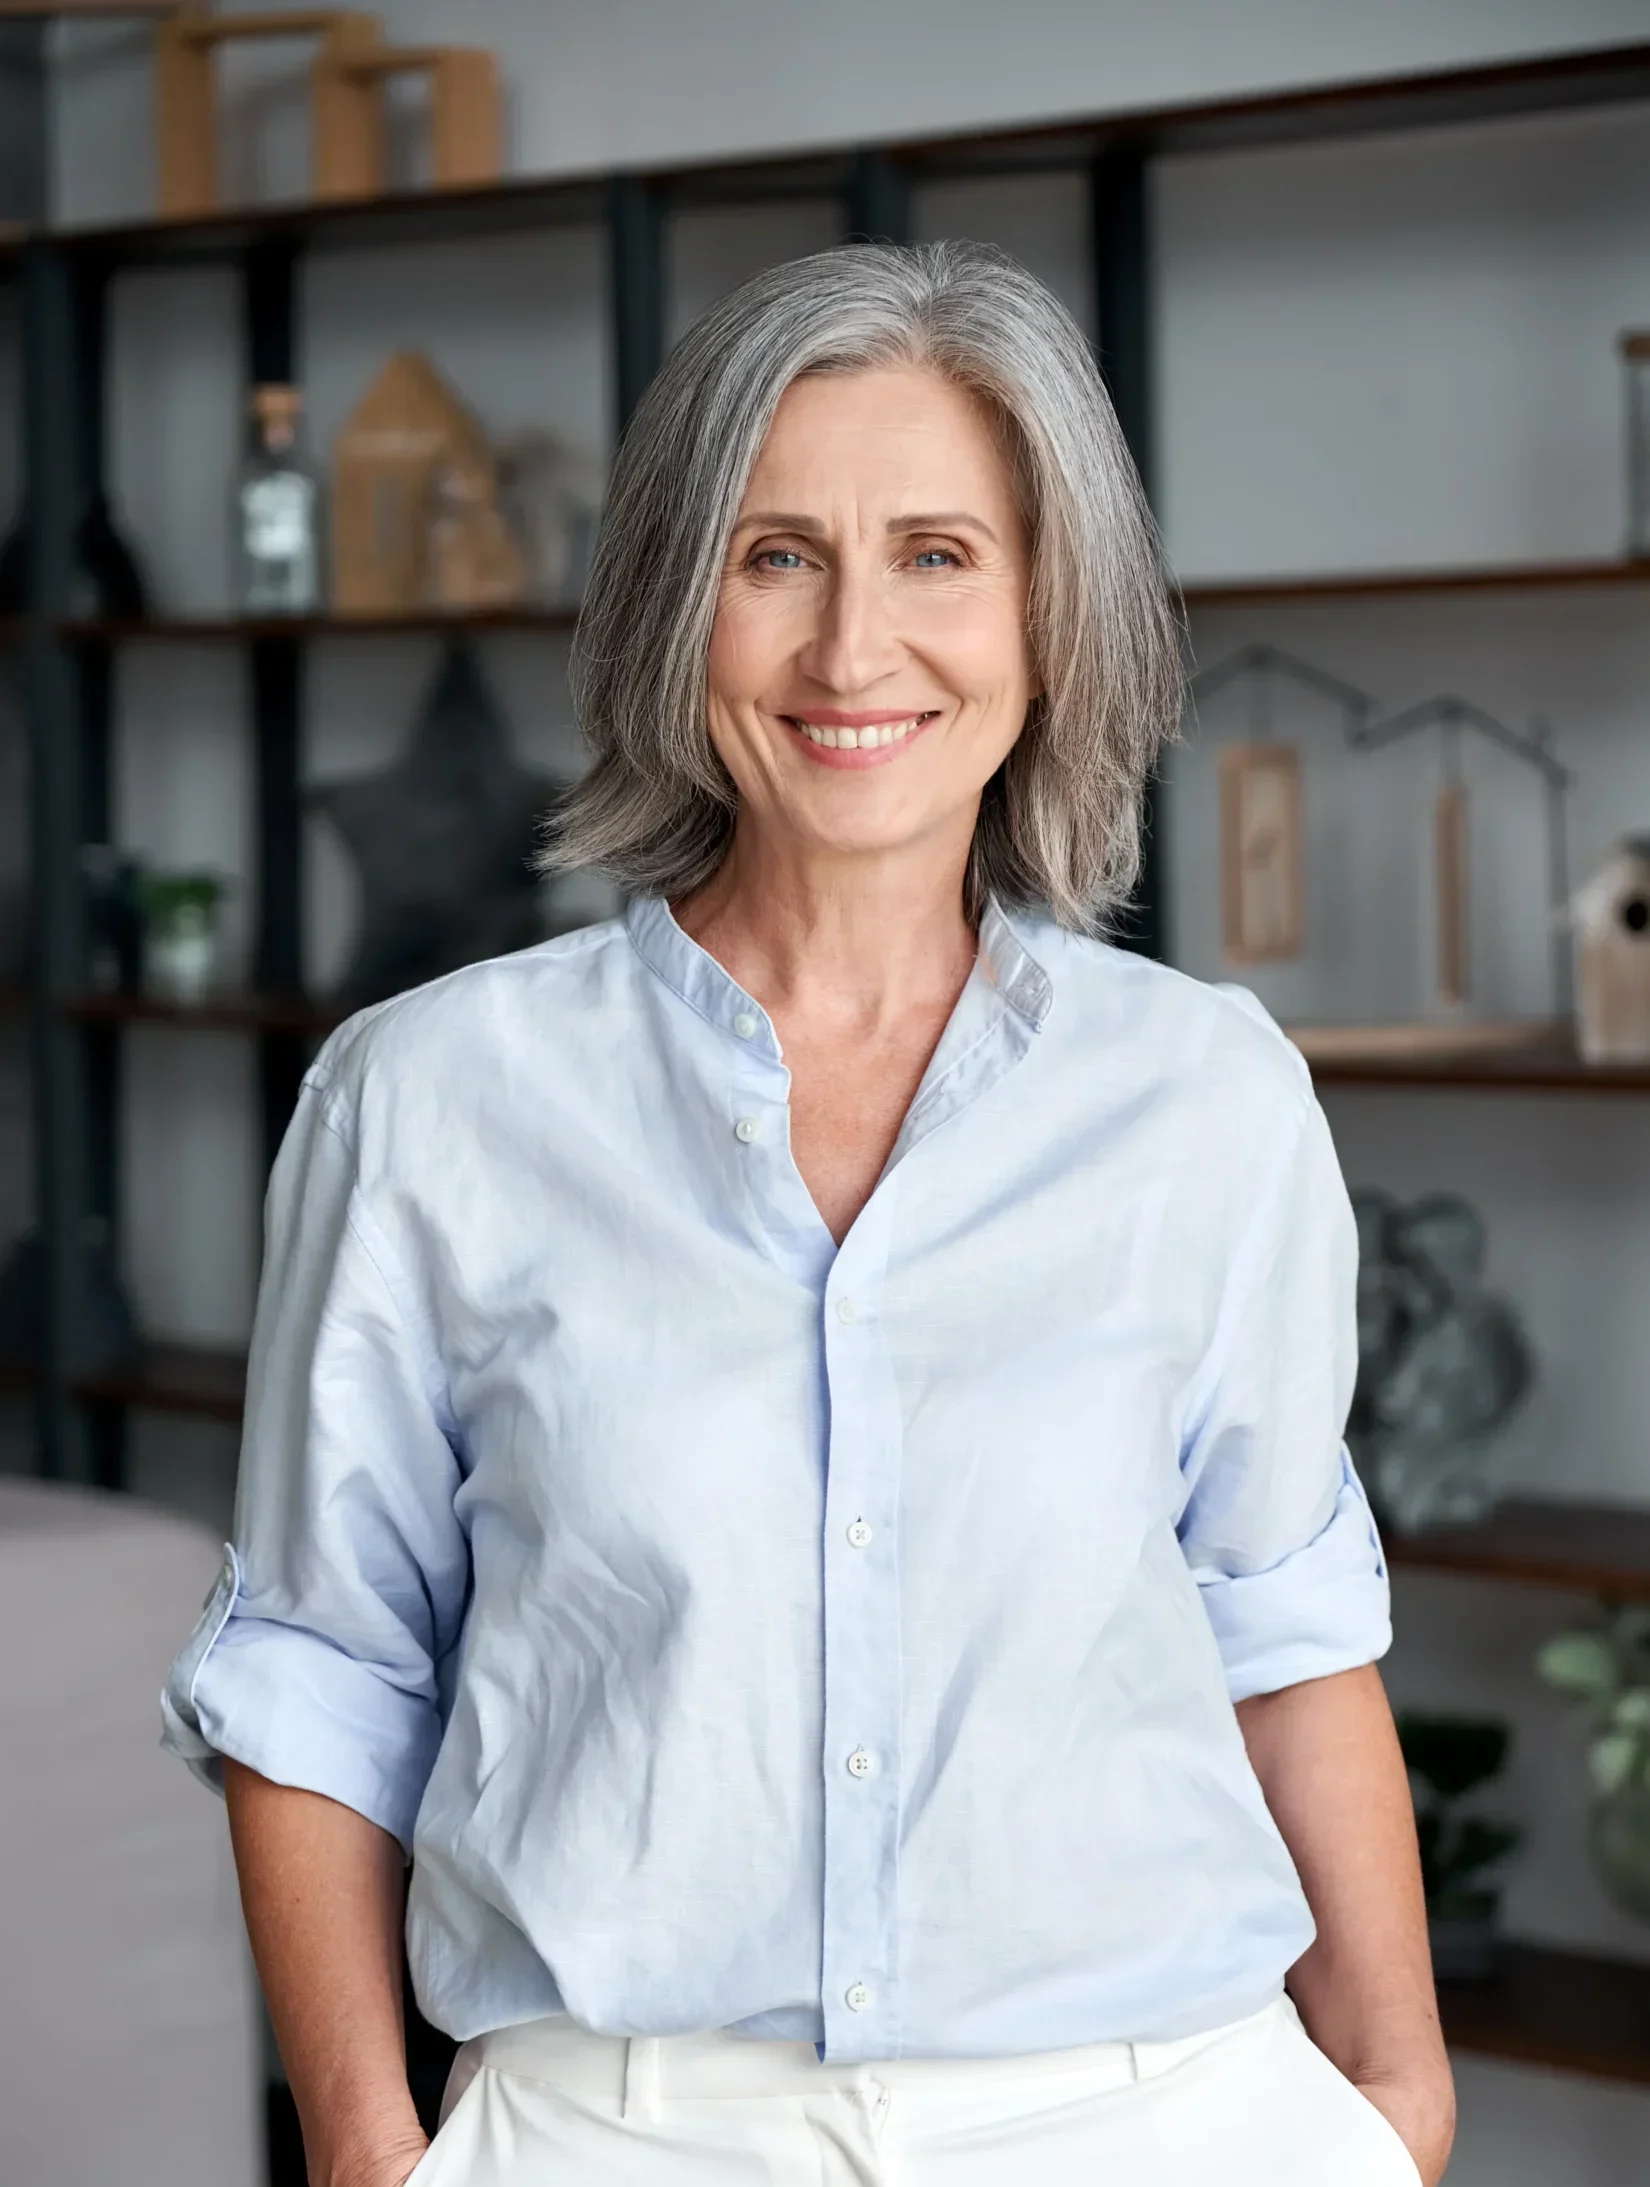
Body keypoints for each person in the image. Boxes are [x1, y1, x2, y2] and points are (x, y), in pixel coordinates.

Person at [162, 241, 1454, 2187]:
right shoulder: (426, 1103)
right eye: (779, 556)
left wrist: (1398, 2108)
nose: (856, 651)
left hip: (1161, 2113)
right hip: (616, 2127)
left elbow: (1286, 1624)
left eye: (938, 552)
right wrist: (367, 2144)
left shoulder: (1206, 1099)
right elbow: (322, 1669)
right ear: (683, 606)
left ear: (1048, 617)